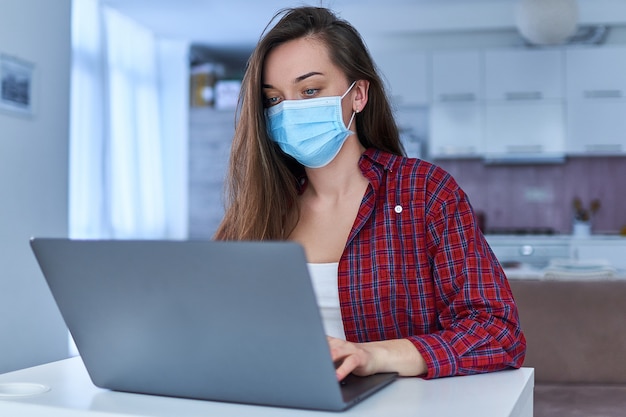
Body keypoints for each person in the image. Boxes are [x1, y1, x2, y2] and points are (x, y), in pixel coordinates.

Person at [214, 6, 526, 381]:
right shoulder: (257, 209)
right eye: (274, 99)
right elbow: (216, 326)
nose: (290, 110)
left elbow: (498, 332)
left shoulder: (425, 193)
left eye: (310, 90)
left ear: (358, 94)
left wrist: (375, 356)